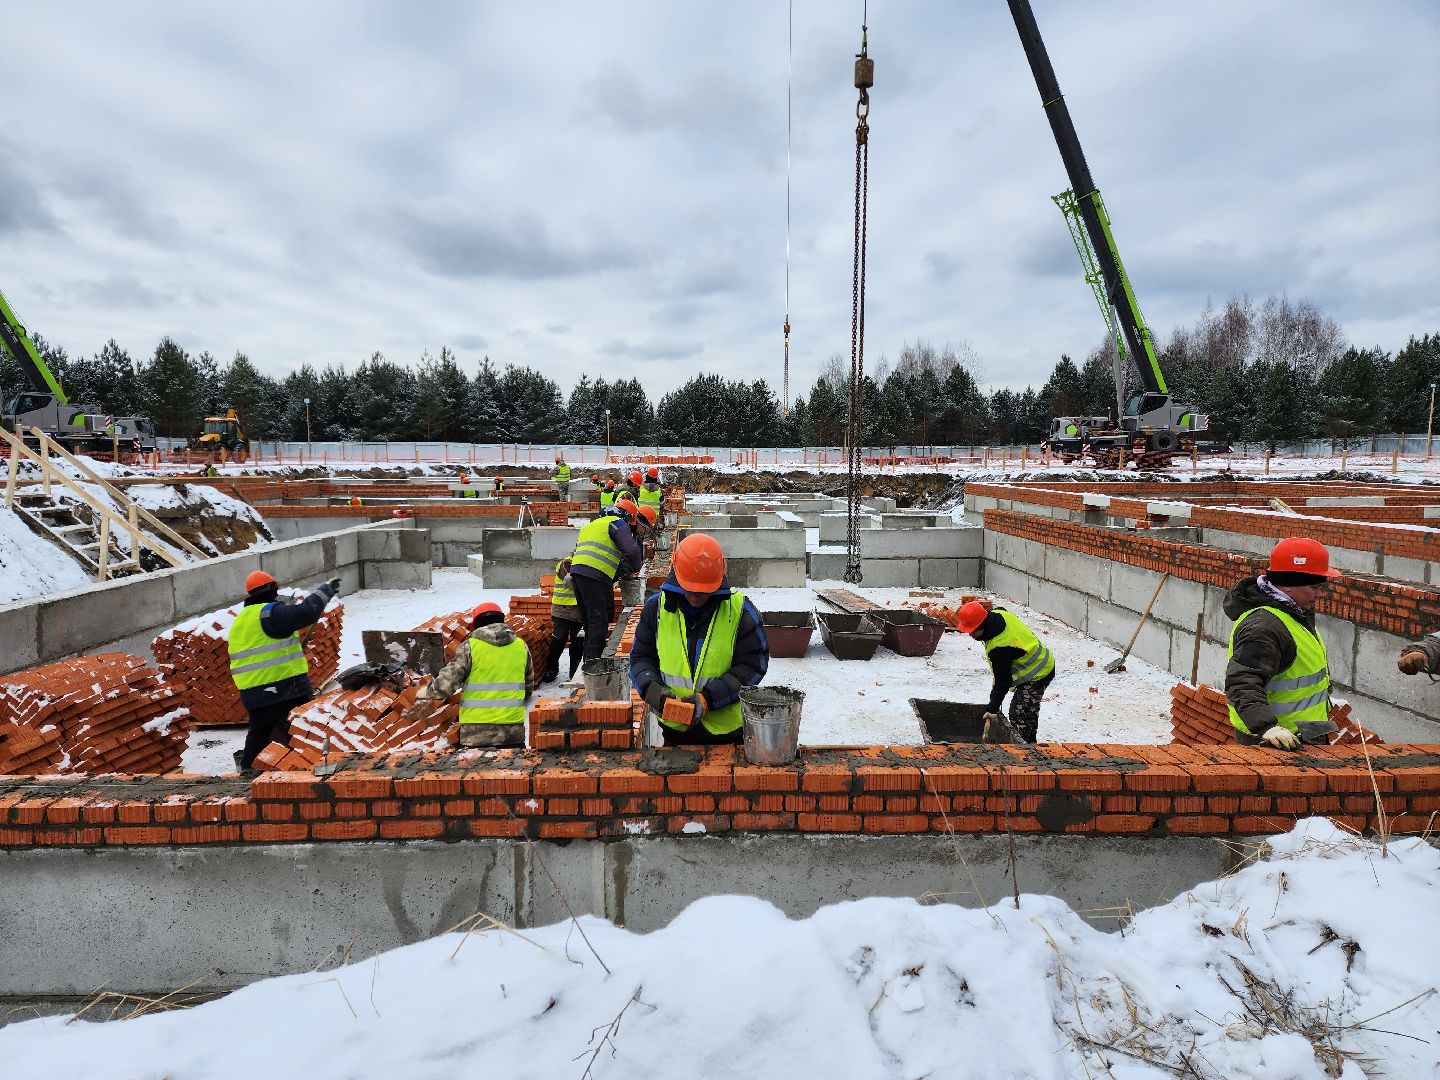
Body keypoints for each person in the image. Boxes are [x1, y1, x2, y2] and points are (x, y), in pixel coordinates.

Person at [629, 533, 769, 745]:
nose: (695, 596)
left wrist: (710, 697)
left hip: (727, 733)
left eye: (703, 591)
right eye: (690, 589)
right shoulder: (656, 609)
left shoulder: (741, 612)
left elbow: (752, 665)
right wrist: (652, 690)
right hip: (675, 730)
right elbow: (641, 657)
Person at [1223, 537, 1341, 749]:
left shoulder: (1295, 613)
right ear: (1289, 586)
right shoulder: (1264, 627)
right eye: (1315, 587)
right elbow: (1242, 682)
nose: (1321, 594)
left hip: (1305, 733)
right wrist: (1267, 728)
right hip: (1275, 742)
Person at [228, 570, 341, 770]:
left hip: (254, 693)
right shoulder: (270, 613)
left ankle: (246, 772)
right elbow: (306, 612)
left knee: (259, 736)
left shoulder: (243, 618)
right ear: (272, 590)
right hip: (281, 690)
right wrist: (326, 590)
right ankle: (318, 769)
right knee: (305, 731)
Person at [405, 602, 535, 747]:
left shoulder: (470, 647)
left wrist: (426, 692)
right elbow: (528, 688)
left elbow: (447, 685)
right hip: (513, 733)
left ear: (476, 624)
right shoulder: (520, 646)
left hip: (476, 734)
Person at [955, 600, 1055, 744]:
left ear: (981, 625)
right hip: (1041, 659)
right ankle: (1031, 744)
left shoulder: (999, 647)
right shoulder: (998, 613)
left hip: (1038, 672)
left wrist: (992, 708)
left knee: (1020, 714)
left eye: (972, 631)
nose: (970, 635)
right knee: (1027, 712)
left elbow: (1003, 681)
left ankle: (1025, 752)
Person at [569, 495, 644, 661]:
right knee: (599, 621)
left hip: (578, 573)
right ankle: (593, 664)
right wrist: (638, 568)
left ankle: (588, 659)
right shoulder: (618, 523)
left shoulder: (593, 524)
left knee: (589, 621)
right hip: (594, 574)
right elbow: (630, 551)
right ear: (628, 516)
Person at [543, 558, 585, 683]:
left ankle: (574, 672)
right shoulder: (566, 563)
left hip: (579, 611)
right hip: (562, 609)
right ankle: (551, 670)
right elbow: (572, 583)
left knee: (577, 643)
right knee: (559, 640)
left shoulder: (584, 564)